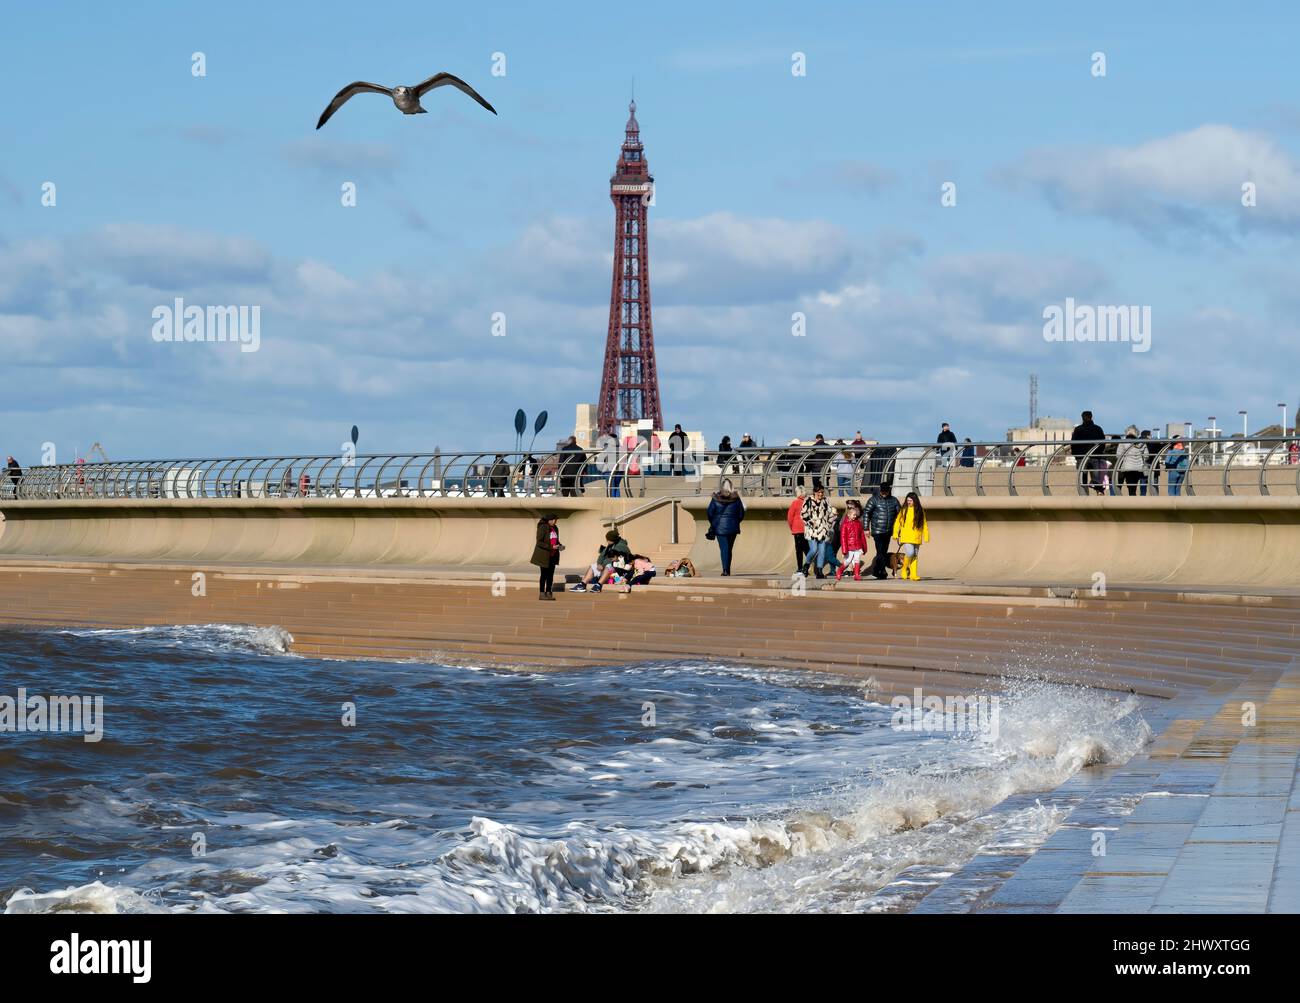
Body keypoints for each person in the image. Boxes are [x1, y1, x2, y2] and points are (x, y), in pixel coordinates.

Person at [706, 479, 745, 576]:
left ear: (721, 487)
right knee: (729, 548)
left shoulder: (715, 498)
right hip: (732, 527)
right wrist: (735, 521)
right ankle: (727, 569)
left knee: (724, 548)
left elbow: (710, 513)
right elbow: (741, 513)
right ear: (731, 487)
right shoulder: (736, 499)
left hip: (720, 527)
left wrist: (714, 523)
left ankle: (725, 570)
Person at [864, 480, 901, 580]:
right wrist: (866, 528)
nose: (884, 494)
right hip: (877, 531)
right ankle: (881, 571)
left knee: (883, 552)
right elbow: (866, 513)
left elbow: (900, 514)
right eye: (882, 492)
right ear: (880, 491)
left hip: (888, 531)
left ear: (889, 491)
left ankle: (877, 570)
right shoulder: (873, 500)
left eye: (886, 492)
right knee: (880, 551)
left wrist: (900, 529)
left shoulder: (894, 500)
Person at [892, 492, 930, 581]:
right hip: (906, 536)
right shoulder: (903, 510)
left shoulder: (920, 510)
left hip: (916, 536)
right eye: (907, 500)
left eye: (910, 500)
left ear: (915, 501)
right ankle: (904, 569)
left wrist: (926, 535)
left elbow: (924, 523)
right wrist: (895, 533)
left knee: (915, 555)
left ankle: (913, 574)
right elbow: (897, 522)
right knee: (910, 553)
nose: (908, 502)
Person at [800, 485, 836, 579]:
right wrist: (811, 522)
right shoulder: (808, 501)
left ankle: (819, 571)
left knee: (822, 551)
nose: (820, 494)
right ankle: (806, 565)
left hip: (823, 530)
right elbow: (803, 514)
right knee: (813, 549)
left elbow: (831, 514)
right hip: (812, 530)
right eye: (818, 492)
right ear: (814, 492)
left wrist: (828, 524)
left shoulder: (826, 501)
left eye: (822, 492)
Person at [1071, 411, 1106, 495]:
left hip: (1081, 457)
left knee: (1083, 480)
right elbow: (1102, 443)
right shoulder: (1098, 428)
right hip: (1095, 456)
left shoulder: (1078, 429)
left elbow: (1073, 444)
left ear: (1082, 418)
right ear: (1091, 417)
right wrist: (1099, 453)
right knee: (1097, 479)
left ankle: (1085, 498)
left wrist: (1076, 456)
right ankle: (1099, 494)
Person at [530, 514, 564, 600]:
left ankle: (549, 592)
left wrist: (560, 545)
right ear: (549, 520)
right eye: (554, 520)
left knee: (550, 575)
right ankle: (542, 593)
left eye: (556, 520)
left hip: (553, 555)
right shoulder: (543, 527)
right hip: (544, 555)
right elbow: (539, 542)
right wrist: (551, 547)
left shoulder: (555, 528)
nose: (555, 522)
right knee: (544, 575)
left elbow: (555, 540)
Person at [836, 499, 868, 581]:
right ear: (849, 515)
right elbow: (843, 538)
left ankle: (856, 575)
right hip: (850, 547)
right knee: (847, 561)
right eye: (853, 515)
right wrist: (844, 549)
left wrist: (864, 547)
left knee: (857, 560)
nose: (855, 516)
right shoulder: (845, 525)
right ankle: (839, 571)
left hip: (858, 546)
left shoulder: (858, 524)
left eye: (855, 515)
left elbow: (862, 536)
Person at [1115, 427, 1145, 495]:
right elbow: (1146, 455)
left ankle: (1131, 501)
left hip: (1127, 468)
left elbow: (1118, 456)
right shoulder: (1141, 443)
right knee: (1134, 487)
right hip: (1139, 468)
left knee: (1130, 487)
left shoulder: (1123, 442)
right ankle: (1134, 501)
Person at [786, 485, 808, 574]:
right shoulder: (807, 502)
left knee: (799, 550)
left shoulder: (795, 502)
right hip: (806, 529)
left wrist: (792, 528)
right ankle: (809, 566)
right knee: (807, 549)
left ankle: (800, 568)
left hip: (797, 529)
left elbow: (790, 517)